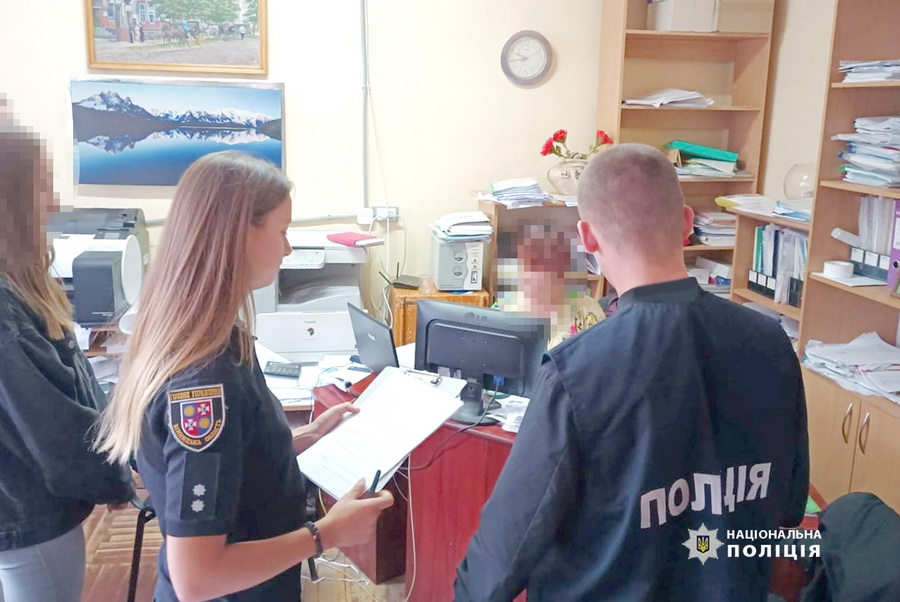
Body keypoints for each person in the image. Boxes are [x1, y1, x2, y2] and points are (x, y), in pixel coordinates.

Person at [454, 143, 809, 601]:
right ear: (687, 223)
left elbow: (505, 552)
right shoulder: (772, 342)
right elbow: (788, 506)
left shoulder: (575, 372)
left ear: (588, 238)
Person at [94, 151, 393, 601]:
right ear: (240, 234)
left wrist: (301, 437)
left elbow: (229, 460)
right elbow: (197, 577)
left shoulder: (208, 336)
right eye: (283, 231)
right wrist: (328, 533)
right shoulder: (204, 380)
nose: (287, 248)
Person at [0, 121, 135, 601]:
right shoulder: (5, 307)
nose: (54, 203)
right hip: (29, 515)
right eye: (42, 186)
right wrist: (113, 478)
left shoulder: (21, 285)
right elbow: (52, 422)